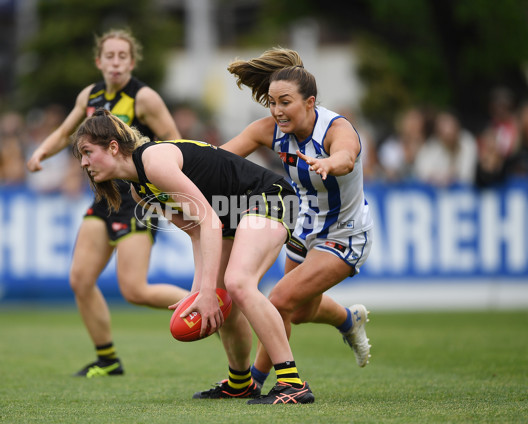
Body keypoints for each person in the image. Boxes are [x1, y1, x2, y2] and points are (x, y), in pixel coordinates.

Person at [73, 108, 315, 404]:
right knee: (224, 298)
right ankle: (240, 383)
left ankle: (293, 384)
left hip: (270, 196)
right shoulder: (140, 192)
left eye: (87, 152)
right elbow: (197, 232)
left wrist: (208, 290)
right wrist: (200, 291)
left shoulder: (154, 162)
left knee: (238, 283)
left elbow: (209, 221)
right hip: (231, 214)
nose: (83, 163)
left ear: (113, 147)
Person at [26, 28, 188, 378]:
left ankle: (207, 307)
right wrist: (42, 152)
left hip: (137, 199)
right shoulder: (90, 96)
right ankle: (108, 360)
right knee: (80, 279)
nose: (116, 63)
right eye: (109, 57)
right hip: (104, 197)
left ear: (132, 62)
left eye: (122, 57)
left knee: (135, 290)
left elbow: (178, 144)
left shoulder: (145, 98)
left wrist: (168, 190)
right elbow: (68, 131)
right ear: (99, 61)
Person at [220, 47, 374, 391]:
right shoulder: (270, 129)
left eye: (285, 102)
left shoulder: (335, 127)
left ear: (310, 102)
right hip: (304, 229)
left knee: (279, 300)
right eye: (273, 103)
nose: (277, 111)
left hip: (346, 234)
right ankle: (349, 319)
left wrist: (329, 164)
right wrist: (173, 161)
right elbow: (220, 158)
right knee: (298, 311)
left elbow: (347, 157)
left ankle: (255, 382)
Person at [414, 110, 478, 187]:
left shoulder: (467, 141)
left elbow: (467, 176)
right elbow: (421, 173)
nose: (448, 132)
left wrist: (448, 177)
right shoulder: (431, 146)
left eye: (451, 127)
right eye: (443, 128)